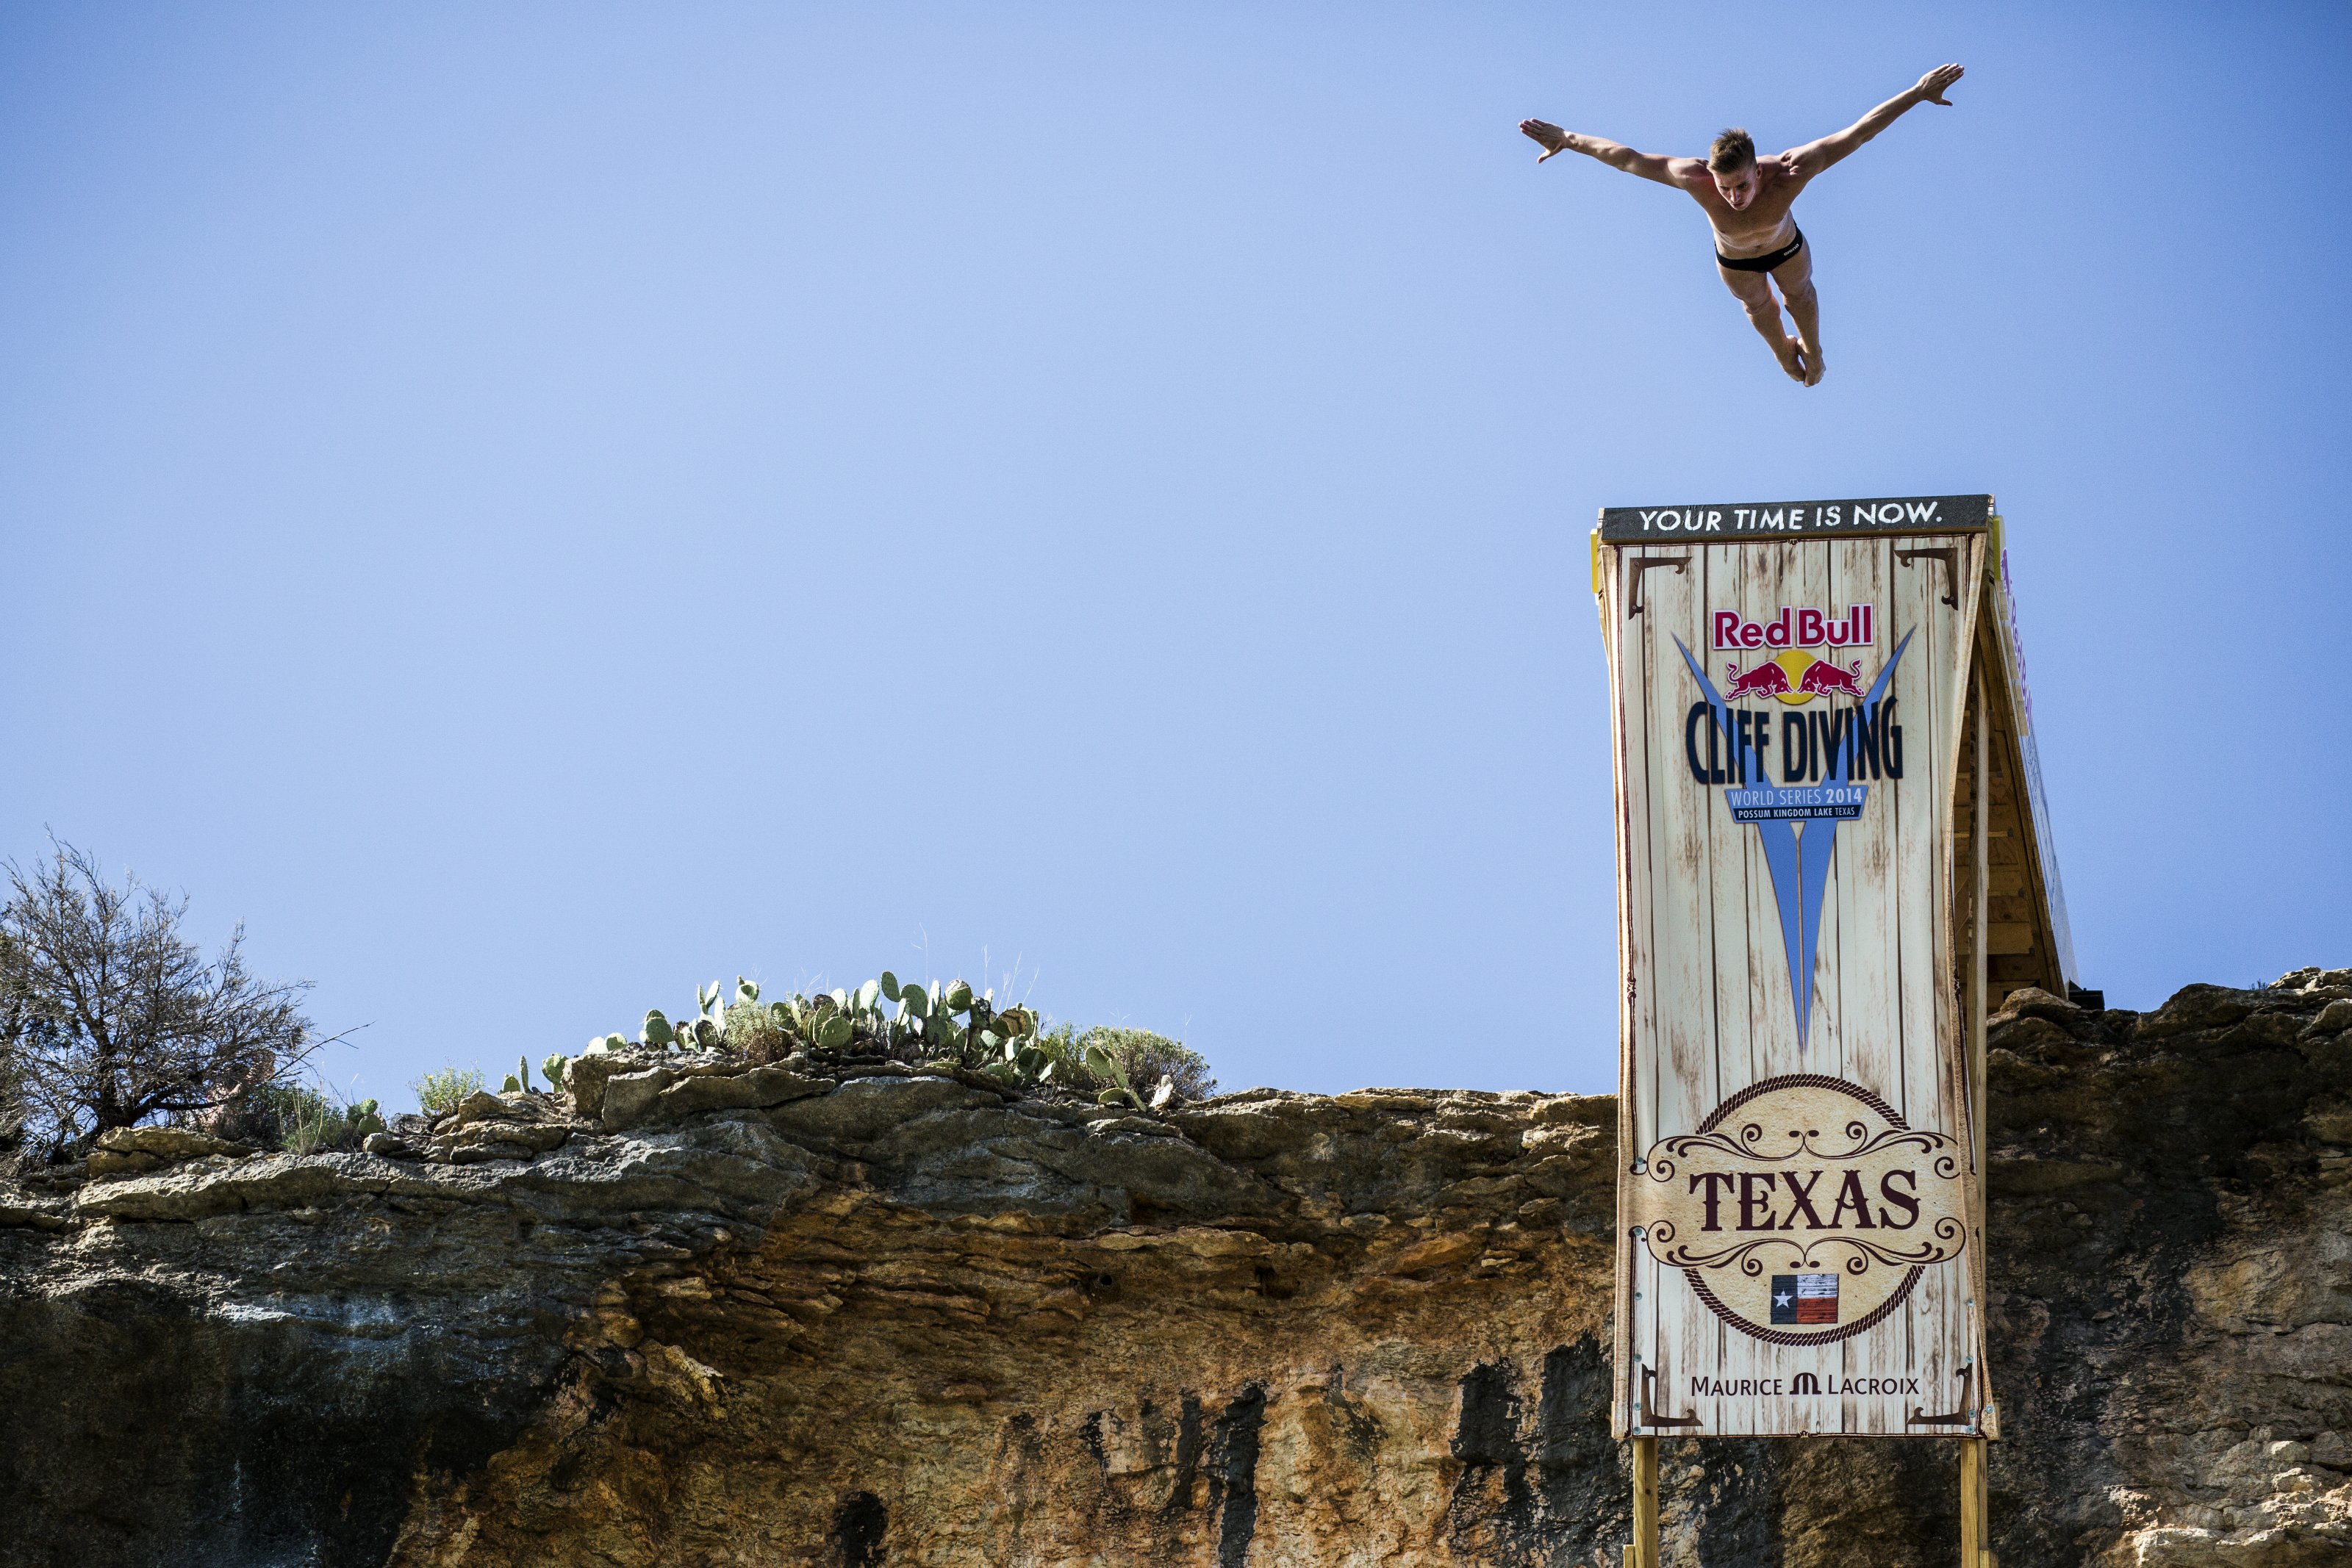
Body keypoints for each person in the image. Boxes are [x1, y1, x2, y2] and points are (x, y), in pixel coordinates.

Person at [1519, 65, 1964, 386]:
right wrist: (1568, 139)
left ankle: (1816, 354)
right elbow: (1624, 157)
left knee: (1800, 296)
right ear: (1711, 175)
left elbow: (1861, 131)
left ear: (1758, 170)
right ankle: (1786, 359)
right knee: (1758, 308)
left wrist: (1917, 92)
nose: (1734, 197)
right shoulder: (1692, 176)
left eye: (1742, 186)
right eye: (1725, 187)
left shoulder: (1792, 169)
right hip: (1733, 258)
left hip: (1785, 246)